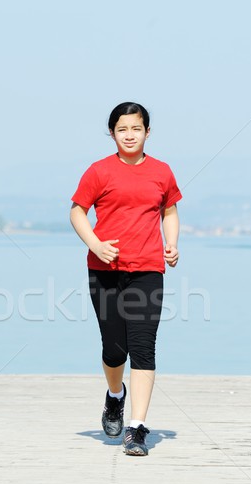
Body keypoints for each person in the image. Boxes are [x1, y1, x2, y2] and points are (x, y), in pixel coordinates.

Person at [70, 101, 182, 457]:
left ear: (147, 132)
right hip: (104, 272)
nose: (129, 135)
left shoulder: (162, 172)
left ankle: (136, 428)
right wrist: (95, 244)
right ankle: (115, 396)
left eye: (136, 128)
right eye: (122, 129)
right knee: (114, 348)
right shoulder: (98, 172)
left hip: (148, 270)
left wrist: (172, 243)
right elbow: (77, 212)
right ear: (113, 133)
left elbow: (170, 211)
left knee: (143, 345)